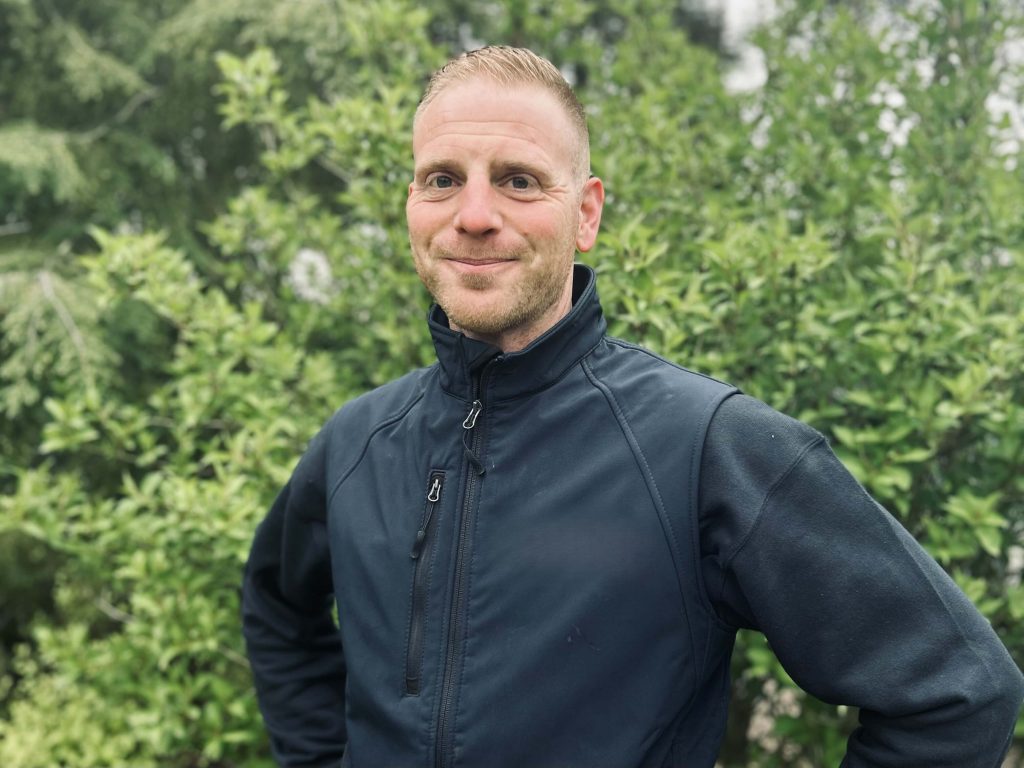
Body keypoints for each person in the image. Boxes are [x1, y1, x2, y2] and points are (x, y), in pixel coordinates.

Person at [241, 46, 1024, 768]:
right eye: (442, 178)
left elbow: (959, 692)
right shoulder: (357, 444)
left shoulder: (703, 448)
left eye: (519, 180)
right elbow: (277, 609)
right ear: (412, 202)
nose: (473, 214)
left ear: (586, 213)